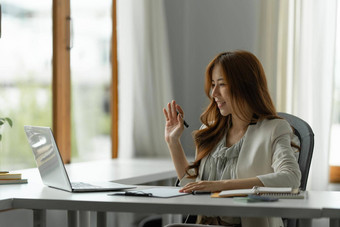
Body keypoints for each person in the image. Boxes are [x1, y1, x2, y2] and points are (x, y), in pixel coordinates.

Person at [163, 50, 301, 227]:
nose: (214, 93)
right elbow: (195, 186)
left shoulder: (274, 129)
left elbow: (290, 178)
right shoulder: (210, 131)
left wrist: (222, 185)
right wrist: (173, 142)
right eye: (213, 84)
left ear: (244, 86)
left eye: (221, 84)